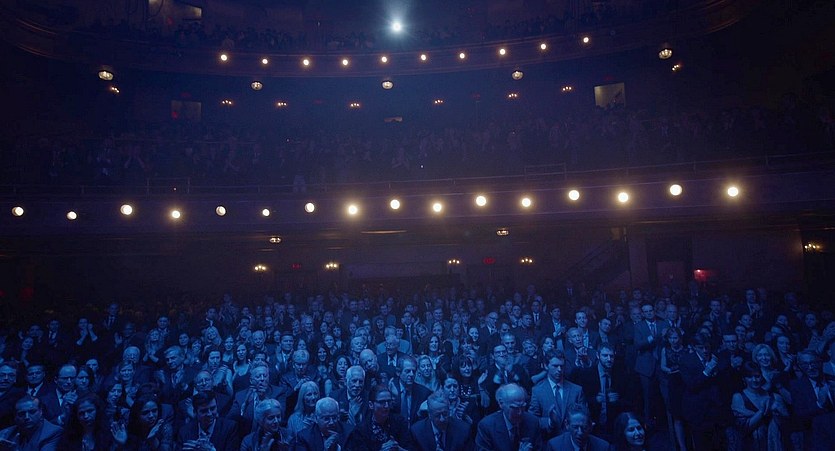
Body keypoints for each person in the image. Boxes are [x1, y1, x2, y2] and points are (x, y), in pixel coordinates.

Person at [731, 361, 789, 451]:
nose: (754, 380)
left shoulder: (774, 397)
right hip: (749, 447)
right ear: (744, 379)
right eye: (750, 377)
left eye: (757, 376)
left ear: (762, 377)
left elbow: (786, 427)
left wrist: (777, 413)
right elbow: (743, 429)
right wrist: (762, 411)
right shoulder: (738, 397)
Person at [529, 349, 586, 435]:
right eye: (555, 366)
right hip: (549, 439)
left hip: (572, 438)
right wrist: (549, 422)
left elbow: (583, 417)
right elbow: (532, 420)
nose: (559, 369)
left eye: (562, 366)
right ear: (546, 366)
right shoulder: (538, 391)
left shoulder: (576, 390)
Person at [475, 383, 541, 451]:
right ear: (501, 403)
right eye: (515, 408)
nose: (520, 412)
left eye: (523, 407)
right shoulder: (487, 427)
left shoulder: (532, 422)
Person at [345, 384, 412, 451]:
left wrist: (398, 449)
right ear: (371, 405)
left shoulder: (400, 422)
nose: (386, 406)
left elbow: (410, 447)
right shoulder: (361, 430)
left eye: (389, 401)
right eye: (382, 402)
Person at [545, 403, 613, 451]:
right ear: (567, 425)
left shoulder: (603, 448)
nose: (580, 433)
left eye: (584, 427)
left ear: (591, 426)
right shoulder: (554, 446)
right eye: (575, 427)